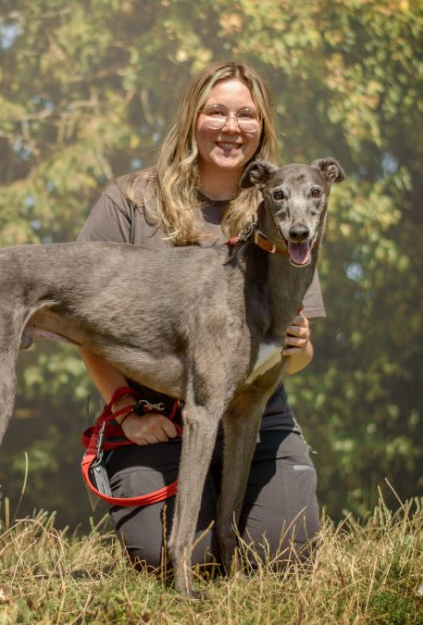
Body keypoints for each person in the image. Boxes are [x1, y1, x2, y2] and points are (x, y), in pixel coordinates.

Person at [77, 60, 323, 573]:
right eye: (217, 112)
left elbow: (296, 356)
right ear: (193, 117)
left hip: (254, 420)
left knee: (283, 553)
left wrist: (297, 351)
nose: (231, 127)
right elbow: (80, 321)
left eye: (246, 115)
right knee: (173, 556)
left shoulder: (286, 206)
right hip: (158, 422)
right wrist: (125, 409)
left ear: (261, 126)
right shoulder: (128, 201)